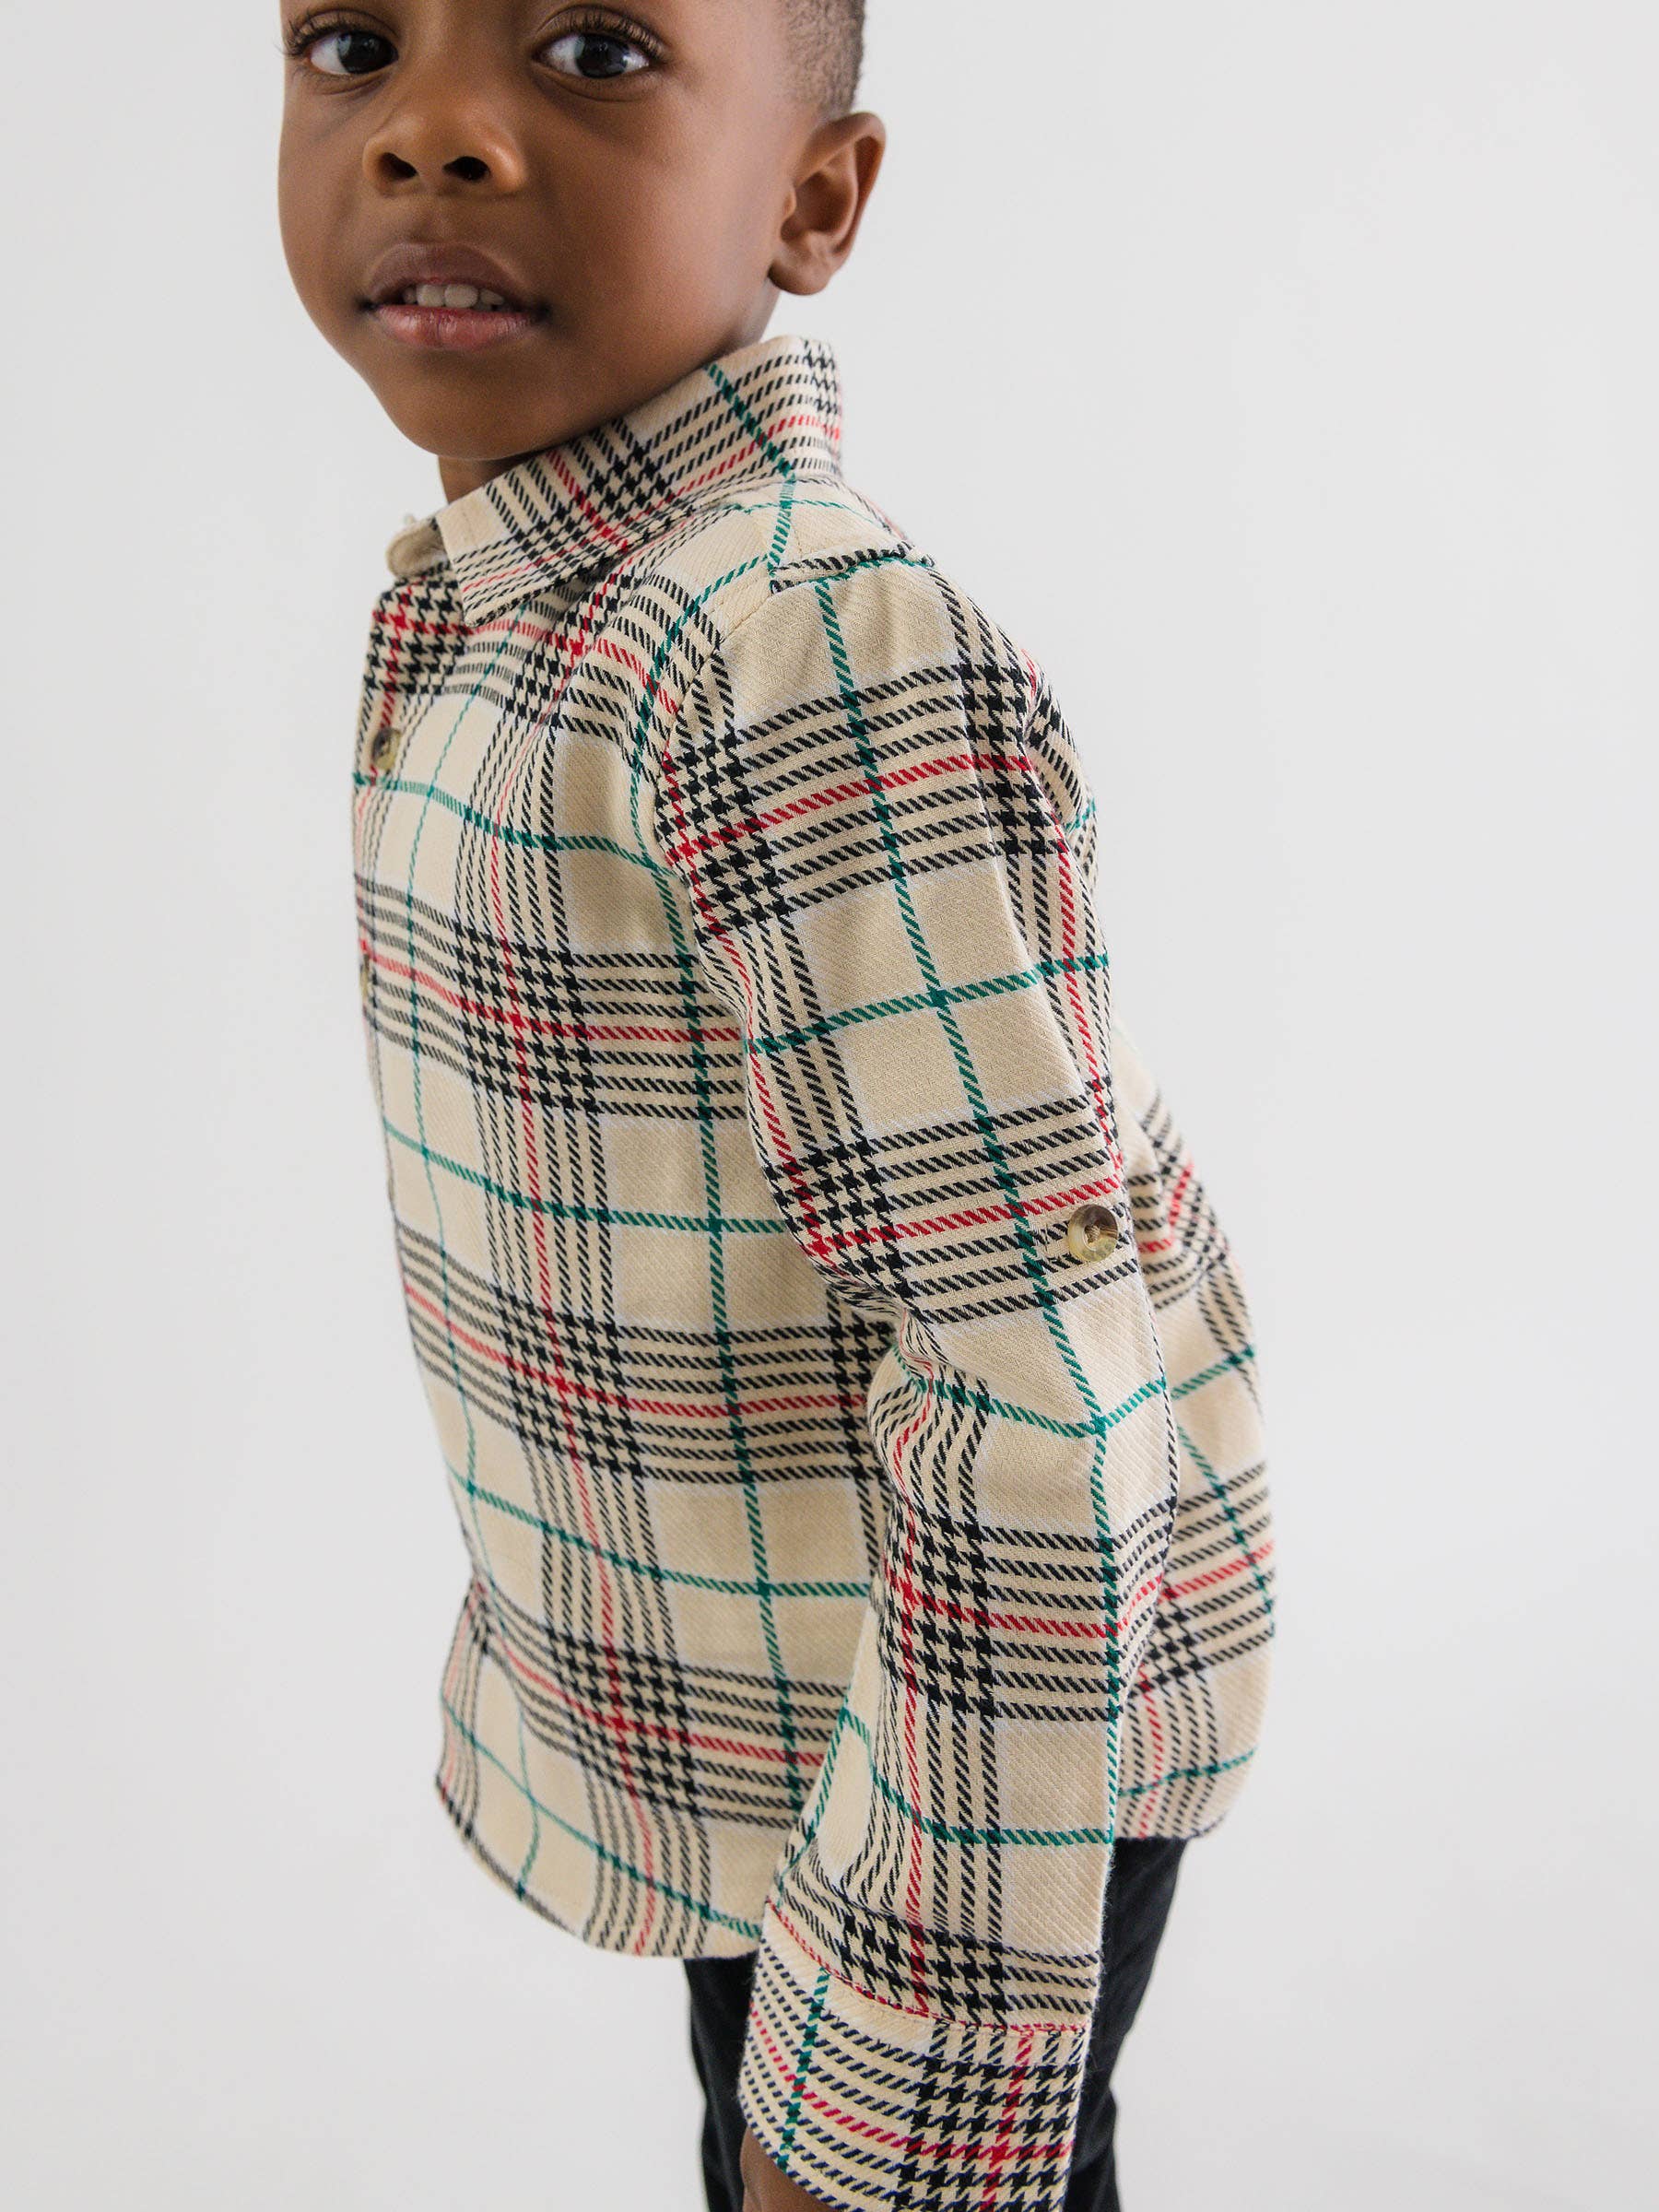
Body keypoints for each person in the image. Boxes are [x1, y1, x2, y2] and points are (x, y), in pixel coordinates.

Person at [276, 5, 1277, 2207]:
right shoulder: (539, 615)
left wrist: (885, 2087)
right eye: (349, 43)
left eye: (592, 49)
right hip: (795, 1723)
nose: (433, 134)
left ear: (812, 199)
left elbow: (1034, 1391)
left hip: (960, 1770)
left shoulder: (788, 653)